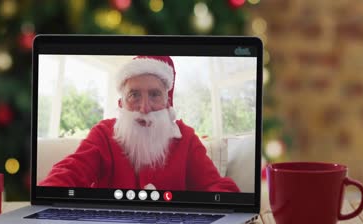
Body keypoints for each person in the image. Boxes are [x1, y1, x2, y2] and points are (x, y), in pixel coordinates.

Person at [39, 56, 240, 192]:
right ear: (121, 104)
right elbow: (70, 173)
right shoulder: (103, 133)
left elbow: (215, 187)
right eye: (134, 95)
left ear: (167, 102)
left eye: (154, 95)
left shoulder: (186, 138)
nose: (144, 108)